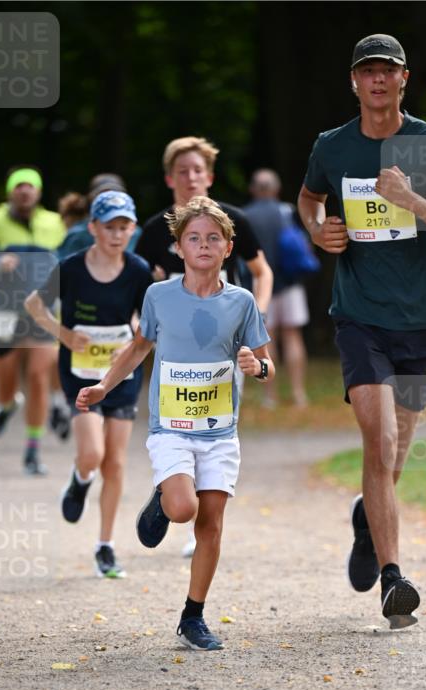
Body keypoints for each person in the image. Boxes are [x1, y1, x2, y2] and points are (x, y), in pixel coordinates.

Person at [298, 33, 426, 627]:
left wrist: (414, 201)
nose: (377, 80)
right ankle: (394, 579)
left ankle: (365, 517)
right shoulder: (332, 145)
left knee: (392, 458)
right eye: (366, 71)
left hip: (423, 318)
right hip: (359, 315)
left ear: (405, 79)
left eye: (388, 70)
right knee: (378, 443)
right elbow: (309, 197)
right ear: (354, 82)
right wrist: (317, 230)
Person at [76, 197, 274, 649]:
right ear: (179, 247)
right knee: (184, 508)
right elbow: (138, 347)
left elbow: (266, 364)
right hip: (172, 428)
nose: (203, 245)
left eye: (213, 238)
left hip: (220, 433)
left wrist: (256, 367)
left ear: (228, 248)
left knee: (210, 524)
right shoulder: (158, 296)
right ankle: (165, 496)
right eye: (193, 238)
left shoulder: (241, 302)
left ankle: (193, 616)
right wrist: (105, 386)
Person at [135, 136, 273, 557]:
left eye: (198, 170)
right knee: (179, 424)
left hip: (227, 346)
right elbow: (139, 287)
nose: (191, 178)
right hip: (176, 350)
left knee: (218, 426)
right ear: (169, 178)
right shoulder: (154, 231)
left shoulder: (234, 221)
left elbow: (261, 272)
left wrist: (254, 321)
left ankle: (202, 525)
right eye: (183, 171)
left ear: (209, 176)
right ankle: (172, 493)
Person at [25, 190, 151, 578]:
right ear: (93, 227)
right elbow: (33, 304)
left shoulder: (138, 270)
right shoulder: (72, 267)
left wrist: (131, 339)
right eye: (109, 227)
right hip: (79, 371)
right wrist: (63, 334)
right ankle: (80, 480)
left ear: (132, 229)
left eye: (124, 227)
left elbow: (146, 321)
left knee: (114, 461)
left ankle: (105, 546)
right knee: (92, 454)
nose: (117, 235)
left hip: (122, 373)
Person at [0, 166, 66, 474]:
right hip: (2, 310)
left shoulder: (54, 222)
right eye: (19, 186)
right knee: (6, 382)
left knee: (38, 375)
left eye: (30, 186)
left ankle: (32, 451)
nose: (25, 191)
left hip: (43, 311)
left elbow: (71, 258)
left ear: (38, 192)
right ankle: (8, 405)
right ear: (10, 191)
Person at [245, 168, 312, 408]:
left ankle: (269, 397)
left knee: (266, 338)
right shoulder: (288, 211)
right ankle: (298, 394)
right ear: (276, 189)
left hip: (260, 284)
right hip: (290, 282)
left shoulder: (246, 216)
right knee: (293, 336)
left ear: (253, 189)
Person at [57, 173, 143, 261]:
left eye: (115, 196)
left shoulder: (137, 234)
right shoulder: (77, 234)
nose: (109, 201)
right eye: (102, 196)